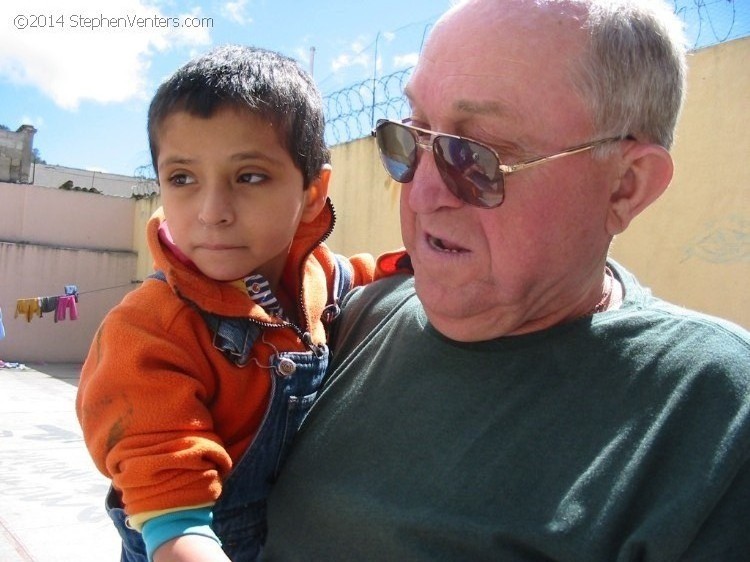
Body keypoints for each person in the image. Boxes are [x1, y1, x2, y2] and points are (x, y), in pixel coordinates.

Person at [261, 0, 750, 560]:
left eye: (476, 157)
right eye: (409, 138)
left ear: (625, 187)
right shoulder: (350, 318)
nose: (420, 195)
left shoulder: (712, 415)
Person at [75, 45, 374, 562]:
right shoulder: (147, 332)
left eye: (249, 176)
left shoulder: (321, 277)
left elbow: (373, 273)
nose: (212, 213)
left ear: (311, 191)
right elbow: (175, 527)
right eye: (183, 179)